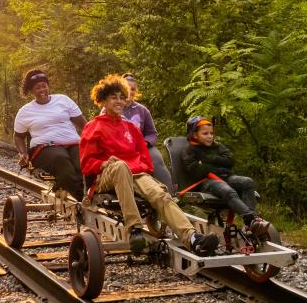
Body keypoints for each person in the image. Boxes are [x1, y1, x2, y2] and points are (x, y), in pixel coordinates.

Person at [80, 74, 219, 256]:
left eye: (122, 97)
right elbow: (86, 163)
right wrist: (104, 163)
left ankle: (193, 239)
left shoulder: (131, 128)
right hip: (108, 174)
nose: (119, 101)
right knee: (121, 166)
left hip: (136, 173)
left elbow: (145, 158)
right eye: (114, 97)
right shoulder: (93, 126)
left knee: (160, 195)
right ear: (103, 101)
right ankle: (135, 230)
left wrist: (143, 171)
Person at [181, 116, 270, 239]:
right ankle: (250, 218)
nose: (210, 136)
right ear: (195, 135)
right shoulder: (189, 150)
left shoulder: (217, 146)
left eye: (211, 133)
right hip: (207, 183)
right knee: (227, 190)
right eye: (205, 133)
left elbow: (230, 161)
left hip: (226, 177)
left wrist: (208, 161)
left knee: (247, 182)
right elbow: (195, 171)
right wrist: (217, 165)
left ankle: (251, 225)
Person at [12, 69, 85, 200]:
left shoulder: (63, 100)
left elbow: (83, 125)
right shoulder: (25, 111)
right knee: (61, 160)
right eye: (37, 87)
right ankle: (82, 198)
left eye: (44, 86)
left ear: (48, 86)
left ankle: (87, 194)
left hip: (73, 143)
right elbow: (18, 136)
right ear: (31, 91)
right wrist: (23, 153)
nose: (41, 90)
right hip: (44, 148)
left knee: (83, 163)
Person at [120, 73, 172, 192]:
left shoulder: (142, 110)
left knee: (156, 158)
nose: (129, 92)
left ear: (136, 91)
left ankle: (171, 193)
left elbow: (152, 133)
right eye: (126, 88)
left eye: (132, 89)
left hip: (142, 145)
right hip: (119, 146)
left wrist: (145, 143)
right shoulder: (111, 107)